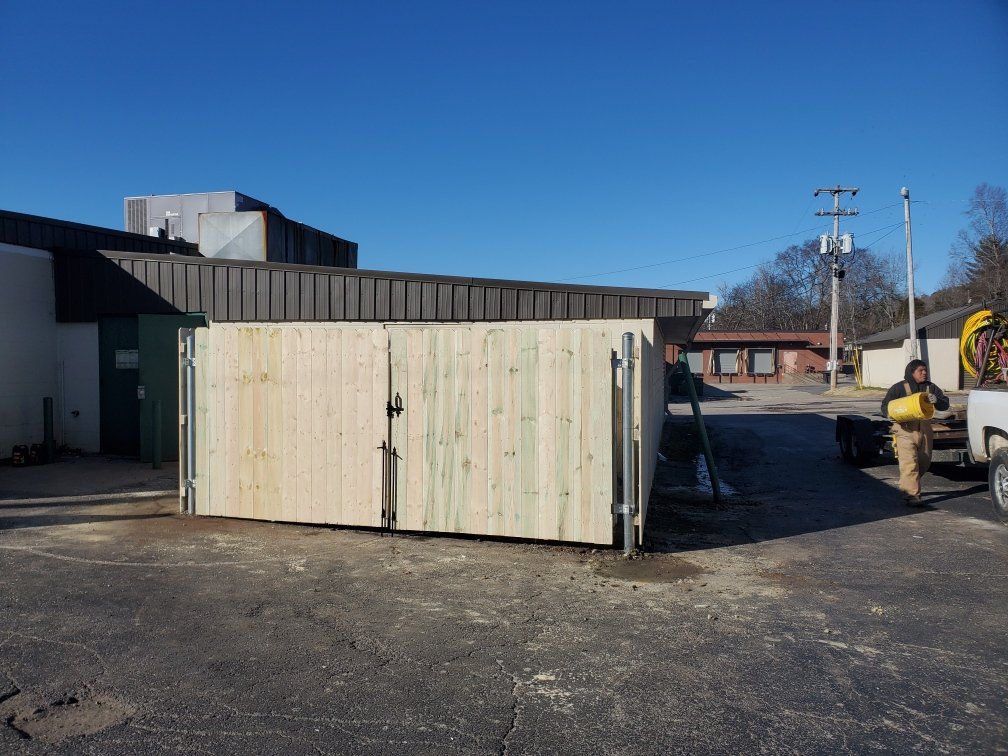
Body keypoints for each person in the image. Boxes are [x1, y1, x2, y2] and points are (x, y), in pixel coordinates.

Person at [881, 359, 950, 506]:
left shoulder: (931, 388)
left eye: (925, 370)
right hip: (904, 429)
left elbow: (945, 404)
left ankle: (909, 483)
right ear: (912, 372)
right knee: (909, 464)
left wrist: (937, 400)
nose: (924, 373)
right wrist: (888, 414)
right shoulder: (898, 388)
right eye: (920, 371)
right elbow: (885, 406)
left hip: (925, 429)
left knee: (924, 462)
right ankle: (912, 496)